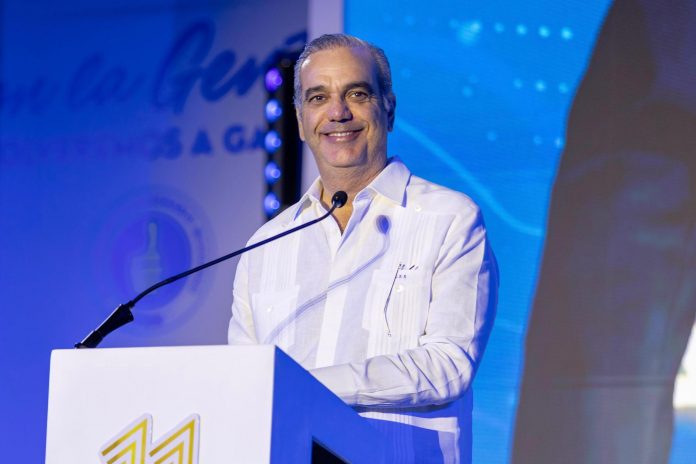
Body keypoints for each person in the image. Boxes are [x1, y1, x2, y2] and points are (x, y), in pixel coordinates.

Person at [228, 33, 498, 463]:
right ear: (300, 121)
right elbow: (246, 387)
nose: (338, 112)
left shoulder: (449, 219)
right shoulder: (265, 246)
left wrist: (307, 386)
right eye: (318, 97)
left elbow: (449, 365)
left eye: (356, 93)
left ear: (388, 108)